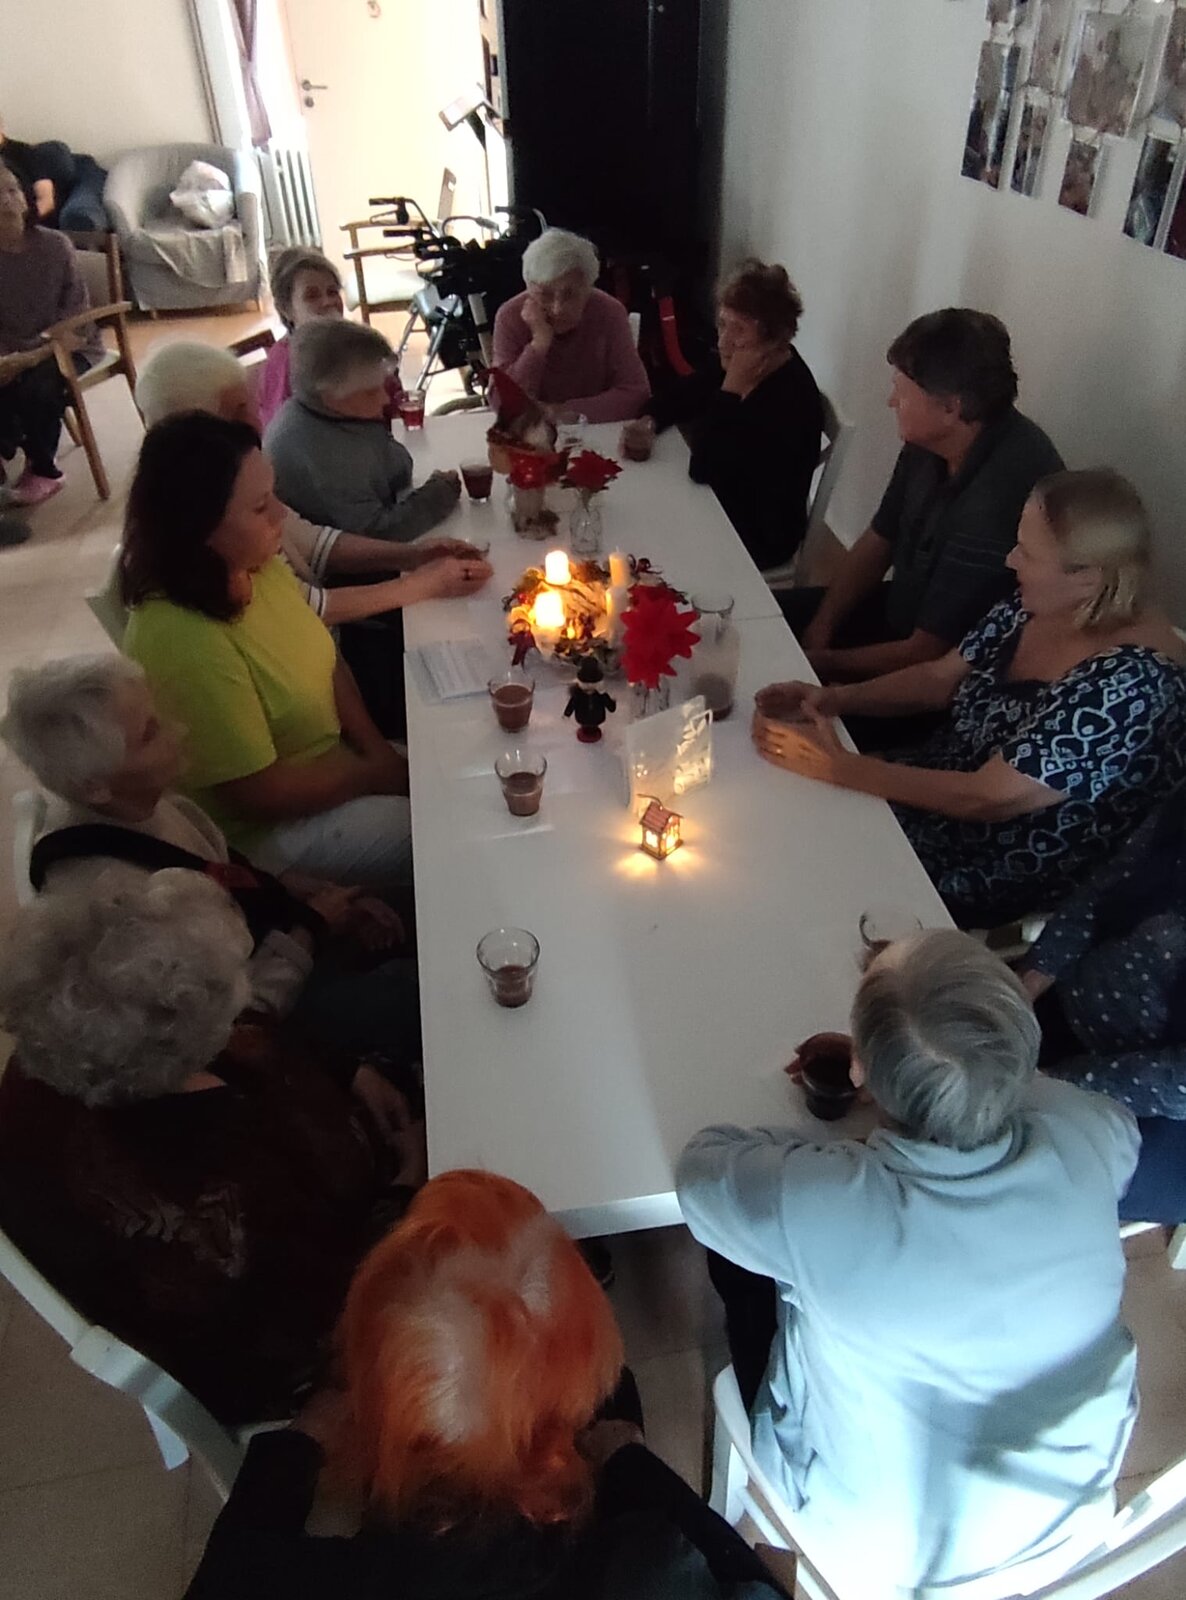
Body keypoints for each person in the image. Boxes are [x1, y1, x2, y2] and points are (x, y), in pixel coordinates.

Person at [677, 930, 1139, 1599]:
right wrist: (943, 1079)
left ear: (860, 1074)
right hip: (1067, 1522)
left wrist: (859, 1126)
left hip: (883, 1555)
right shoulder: (1086, 1130)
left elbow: (702, 1171)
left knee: (741, 1260)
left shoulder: (832, 1204)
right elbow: (1108, 1133)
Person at [184, 1170, 790, 1600]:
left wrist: (298, 1442)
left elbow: (236, 1559)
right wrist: (630, 1458)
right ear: (565, 1405)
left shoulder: (276, 1581)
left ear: (373, 1395)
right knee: (622, 1402)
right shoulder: (651, 1565)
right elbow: (756, 1582)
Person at [0, 872, 424, 1425]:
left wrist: (349, 1071)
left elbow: (251, 1033)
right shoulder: (225, 1193)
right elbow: (345, 1297)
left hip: (300, 1237)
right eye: (227, 997)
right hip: (319, 1349)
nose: (241, 999)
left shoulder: (63, 1042)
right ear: (183, 1039)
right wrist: (410, 1181)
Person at [755, 469, 1186, 928]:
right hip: (926, 785)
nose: (1010, 560)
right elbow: (938, 679)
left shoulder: (1132, 684)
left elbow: (987, 798)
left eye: (1027, 553)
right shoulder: (1042, 603)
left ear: (1086, 578)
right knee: (777, 817)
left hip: (987, 860)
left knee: (800, 874)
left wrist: (843, 768)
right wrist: (834, 699)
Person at [1, 653, 423, 1063]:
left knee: (417, 901)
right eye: (150, 734)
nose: (181, 731)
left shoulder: (148, 804)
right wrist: (312, 927)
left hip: (276, 937)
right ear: (95, 787)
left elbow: (227, 871)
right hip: (276, 1018)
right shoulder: (121, 907)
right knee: (415, 991)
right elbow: (230, 1028)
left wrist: (313, 895)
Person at [135, 340, 491, 736]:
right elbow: (309, 608)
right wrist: (424, 584)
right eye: (236, 414)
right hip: (320, 677)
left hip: (328, 660)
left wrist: (411, 556)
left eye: (250, 405)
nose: (257, 421)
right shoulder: (213, 534)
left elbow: (316, 543)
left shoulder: (241, 492)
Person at [121, 412, 415, 889]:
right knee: (441, 829)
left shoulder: (252, 564)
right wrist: (370, 775)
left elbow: (326, 660)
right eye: (261, 507)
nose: (281, 515)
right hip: (270, 834)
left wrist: (377, 754)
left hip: (338, 766)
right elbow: (261, 794)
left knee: (456, 774)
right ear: (200, 526)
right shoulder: (180, 637)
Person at [780, 308, 1062, 688]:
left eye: (901, 391)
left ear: (950, 407)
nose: (890, 401)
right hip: (900, 614)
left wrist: (819, 663)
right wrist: (822, 625)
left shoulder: (996, 498)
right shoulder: (930, 442)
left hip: (951, 683)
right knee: (761, 618)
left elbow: (926, 653)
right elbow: (880, 536)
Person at [1014, 791, 1186, 1223]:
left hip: (1161, 1121)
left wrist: (1046, 1083)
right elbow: (1103, 890)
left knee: (998, 1162)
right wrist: (1022, 990)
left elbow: (1178, 1083)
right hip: (1076, 1007)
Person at [651, 260, 823, 573]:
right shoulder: (741, 360)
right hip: (721, 504)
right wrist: (649, 422)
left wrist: (730, 390)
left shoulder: (790, 398)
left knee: (654, 537)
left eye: (739, 330)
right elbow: (677, 398)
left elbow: (703, 467)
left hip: (760, 535)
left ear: (773, 339)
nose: (724, 340)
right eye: (722, 324)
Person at [266, 319, 462, 541]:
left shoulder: (337, 414)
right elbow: (377, 534)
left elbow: (398, 466)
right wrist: (438, 496)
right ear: (329, 395)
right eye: (371, 392)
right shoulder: (324, 453)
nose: (385, 399)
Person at [0, 158, 103, 507]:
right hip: (11, 352)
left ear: (26, 197)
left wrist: (29, 357)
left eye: (12, 190)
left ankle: (45, 469)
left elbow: (77, 321)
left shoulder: (55, 246)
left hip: (69, 345)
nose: (7, 200)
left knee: (38, 383)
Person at [492, 228, 650, 424]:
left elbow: (636, 393)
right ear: (529, 288)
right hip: (531, 434)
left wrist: (565, 411)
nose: (557, 308)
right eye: (545, 295)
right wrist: (538, 344)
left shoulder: (609, 312)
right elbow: (500, 403)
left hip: (596, 430)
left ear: (588, 287)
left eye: (570, 294)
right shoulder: (509, 316)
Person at [255, 245, 404, 430]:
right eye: (312, 296)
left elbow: (396, 404)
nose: (328, 302)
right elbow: (284, 433)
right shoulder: (287, 361)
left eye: (332, 292)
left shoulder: (358, 345)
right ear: (286, 309)